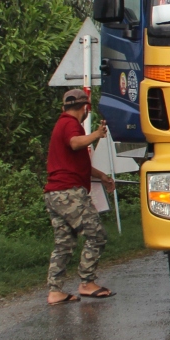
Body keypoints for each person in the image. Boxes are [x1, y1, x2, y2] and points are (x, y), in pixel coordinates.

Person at [45, 89, 117, 305]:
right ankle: (87, 282)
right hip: (69, 193)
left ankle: (55, 291)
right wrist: (96, 135)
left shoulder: (62, 122)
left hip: (54, 193)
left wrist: (102, 176)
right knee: (96, 234)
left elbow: (77, 161)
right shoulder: (70, 124)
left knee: (64, 243)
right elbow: (75, 143)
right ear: (85, 108)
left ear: (63, 106)